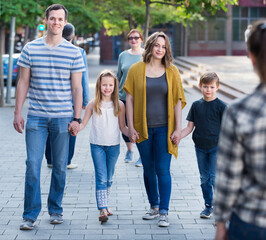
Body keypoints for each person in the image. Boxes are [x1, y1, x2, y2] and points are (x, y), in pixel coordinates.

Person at [13, 4, 85, 230]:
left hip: (63, 118)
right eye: (52, 18)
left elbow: (77, 89)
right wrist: (17, 112)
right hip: (36, 117)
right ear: (46, 20)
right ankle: (30, 214)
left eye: (60, 19)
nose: (56, 22)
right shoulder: (30, 49)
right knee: (32, 165)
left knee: (60, 166)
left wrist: (77, 118)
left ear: (65, 23)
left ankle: (55, 209)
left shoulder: (73, 52)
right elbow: (23, 81)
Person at [123, 32, 186, 227]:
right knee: (148, 169)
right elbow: (130, 100)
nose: (160, 49)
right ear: (150, 46)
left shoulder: (172, 71)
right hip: (143, 129)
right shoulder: (135, 69)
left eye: (164, 46)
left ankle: (164, 212)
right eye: (157, 45)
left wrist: (178, 129)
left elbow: (177, 101)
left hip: (165, 129)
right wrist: (131, 127)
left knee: (162, 169)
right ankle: (154, 205)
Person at [214, 20, 266, 240]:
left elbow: (229, 176)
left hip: (251, 222)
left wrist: (220, 223)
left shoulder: (239, 112)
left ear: (251, 57)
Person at [74, 70, 128, 222]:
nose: (107, 88)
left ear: (115, 86)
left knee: (109, 178)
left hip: (113, 146)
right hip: (97, 145)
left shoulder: (120, 105)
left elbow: (123, 127)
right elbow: (83, 123)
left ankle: (106, 205)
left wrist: (132, 133)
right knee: (101, 177)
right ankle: (102, 209)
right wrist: (76, 127)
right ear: (99, 86)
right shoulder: (93, 104)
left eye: (110, 85)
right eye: (104, 85)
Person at [181, 72, 226, 219]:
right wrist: (177, 136)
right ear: (200, 86)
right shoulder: (196, 105)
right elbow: (189, 127)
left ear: (217, 87)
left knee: (214, 177)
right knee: (204, 178)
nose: (208, 90)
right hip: (200, 148)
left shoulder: (221, 106)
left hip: (216, 148)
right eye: (205, 86)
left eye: (212, 87)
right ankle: (208, 206)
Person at [45, 22, 89, 169]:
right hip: (71, 99)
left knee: (49, 128)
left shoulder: (51, 49)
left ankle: (50, 159)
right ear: (73, 36)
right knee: (71, 129)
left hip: (51, 98)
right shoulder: (79, 52)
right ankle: (67, 160)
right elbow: (83, 78)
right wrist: (85, 98)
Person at [117, 29, 144, 167]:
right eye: (131, 38)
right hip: (123, 96)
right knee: (125, 126)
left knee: (139, 125)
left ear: (141, 39)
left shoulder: (146, 55)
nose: (134, 40)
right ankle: (129, 150)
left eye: (136, 38)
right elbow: (118, 76)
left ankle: (141, 154)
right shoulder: (122, 55)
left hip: (140, 98)